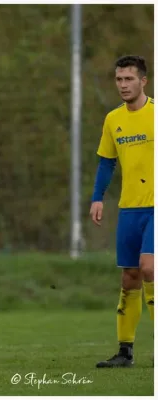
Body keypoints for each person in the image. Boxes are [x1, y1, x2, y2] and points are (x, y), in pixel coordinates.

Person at [90, 55, 154, 368]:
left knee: (149, 267)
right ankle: (125, 352)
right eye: (119, 79)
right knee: (130, 277)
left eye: (129, 79)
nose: (123, 85)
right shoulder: (113, 119)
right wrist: (97, 197)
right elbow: (106, 161)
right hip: (130, 208)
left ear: (144, 81)